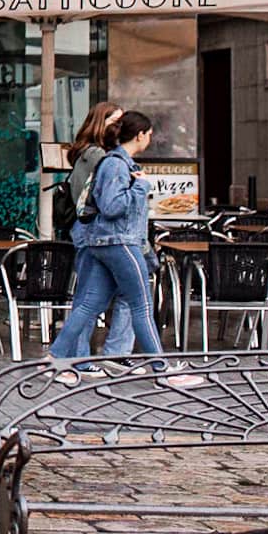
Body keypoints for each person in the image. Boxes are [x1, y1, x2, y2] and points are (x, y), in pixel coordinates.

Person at [48, 110, 181, 380]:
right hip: (119, 241)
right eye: (149, 135)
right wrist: (141, 187)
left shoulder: (116, 163)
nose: (150, 140)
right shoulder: (115, 163)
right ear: (140, 135)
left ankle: (56, 357)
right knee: (141, 305)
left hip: (107, 240)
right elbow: (111, 206)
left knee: (89, 304)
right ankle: (162, 369)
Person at [56, 102, 136, 361]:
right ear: (103, 124)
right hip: (97, 231)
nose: (122, 128)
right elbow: (105, 202)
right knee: (94, 297)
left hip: (92, 231)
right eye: (117, 122)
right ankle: (84, 356)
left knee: (103, 295)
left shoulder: (92, 154)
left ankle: (88, 355)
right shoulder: (100, 157)